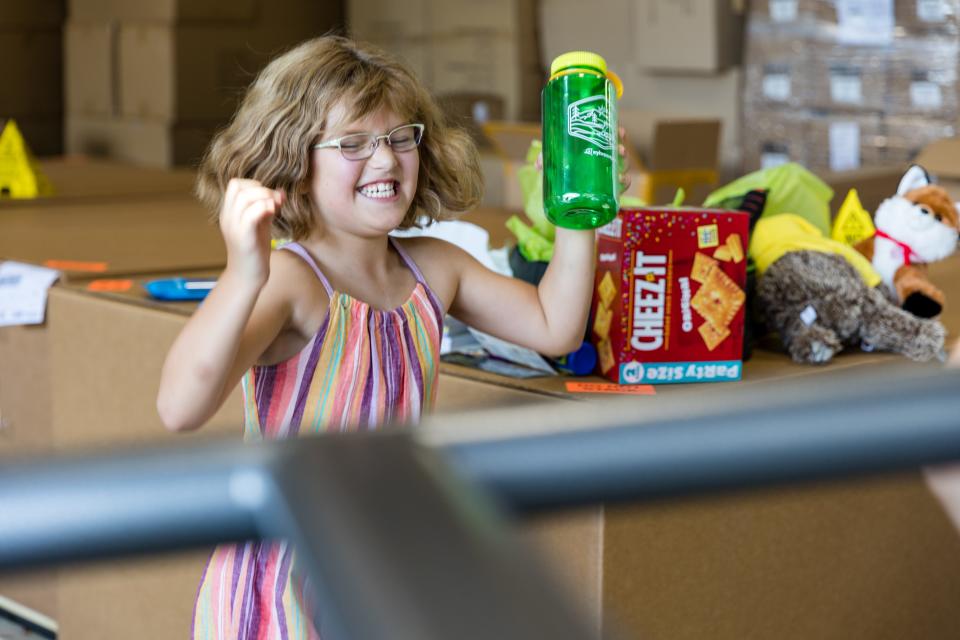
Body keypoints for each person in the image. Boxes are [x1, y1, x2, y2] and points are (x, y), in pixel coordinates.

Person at [157, 35, 629, 639]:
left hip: (383, 568)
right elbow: (179, 407)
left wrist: (577, 206)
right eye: (352, 144)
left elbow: (554, 326)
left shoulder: (434, 267)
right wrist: (244, 270)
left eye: (399, 137)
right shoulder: (290, 281)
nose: (384, 162)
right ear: (293, 164)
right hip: (286, 589)